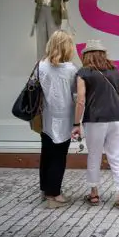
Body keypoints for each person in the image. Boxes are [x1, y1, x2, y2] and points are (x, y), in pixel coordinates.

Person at [72, 40, 119, 212]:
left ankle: (94, 194)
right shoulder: (114, 70)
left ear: (86, 55)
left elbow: (81, 100)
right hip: (118, 117)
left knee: (94, 155)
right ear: (103, 54)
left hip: (95, 119)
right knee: (118, 156)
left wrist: (76, 123)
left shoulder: (83, 72)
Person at [38, 30, 77, 208]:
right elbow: (76, 95)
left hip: (46, 116)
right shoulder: (71, 69)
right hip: (64, 117)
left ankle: (45, 189)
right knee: (59, 156)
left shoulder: (41, 66)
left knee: (46, 154)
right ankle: (54, 195)